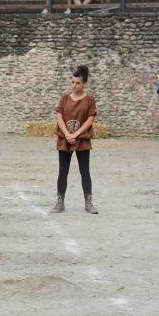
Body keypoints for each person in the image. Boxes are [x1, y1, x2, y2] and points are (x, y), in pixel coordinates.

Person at [51, 65, 98, 214]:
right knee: (62, 171)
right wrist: (66, 134)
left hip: (82, 139)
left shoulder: (89, 99)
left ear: (84, 83)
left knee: (85, 171)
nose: (74, 85)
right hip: (65, 139)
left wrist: (76, 134)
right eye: (72, 82)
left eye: (77, 83)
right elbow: (59, 116)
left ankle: (88, 202)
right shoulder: (65, 98)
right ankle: (60, 202)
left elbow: (90, 119)